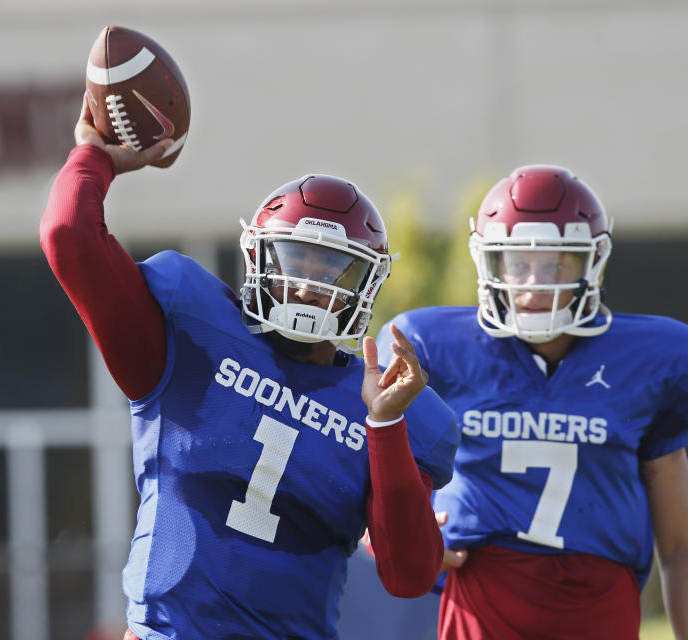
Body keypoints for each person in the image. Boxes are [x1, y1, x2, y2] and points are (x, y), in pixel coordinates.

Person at [39, 94, 459, 640]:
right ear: (256, 257)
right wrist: (94, 157)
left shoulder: (384, 404)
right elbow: (69, 237)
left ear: (367, 286)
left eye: (336, 271)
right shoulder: (190, 335)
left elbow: (408, 576)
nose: (309, 286)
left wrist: (385, 426)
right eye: (295, 261)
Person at [377, 165, 688, 640]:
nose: (535, 283)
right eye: (517, 263)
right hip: (484, 595)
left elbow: (681, 543)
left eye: (557, 262)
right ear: (489, 263)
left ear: (591, 263)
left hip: (599, 605)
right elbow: (368, 468)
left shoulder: (652, 362)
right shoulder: (434, 348)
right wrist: (390, 530)